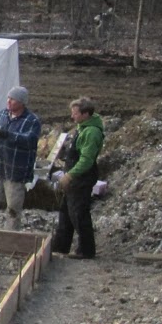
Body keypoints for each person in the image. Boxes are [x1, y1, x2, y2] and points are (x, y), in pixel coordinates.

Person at [0, 86, 42, 230]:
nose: (9, 101)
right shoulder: (2, 115)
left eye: (12, 99)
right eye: (8, 98)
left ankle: (11, 234)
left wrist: (8, 135)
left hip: (15, 170)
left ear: (22, 102)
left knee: (13, 207)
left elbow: (30, 141)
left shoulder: (32, 121)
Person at [51, 97, 105, 259]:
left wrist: (70, 175)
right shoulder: (83, 128)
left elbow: (86, 159)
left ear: (85, 114)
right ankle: (61, 246)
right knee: (66, 212)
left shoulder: (92, 132)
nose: (72, 117)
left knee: (79, 213)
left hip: (82, 177)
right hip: (76, 176)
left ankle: (86, 250)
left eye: (75, 113)